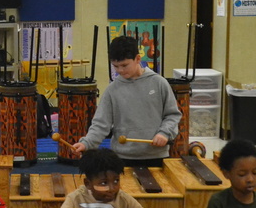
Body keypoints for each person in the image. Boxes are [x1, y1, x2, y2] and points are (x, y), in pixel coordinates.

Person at [72, 34, 181, 167]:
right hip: (122, 157)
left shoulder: (159, 83)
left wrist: (164, 133)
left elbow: (172, 115)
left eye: (124, 65)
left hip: (156, 155)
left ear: (138, 59)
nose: (120, 70)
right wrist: (86, 143)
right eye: (116, 66)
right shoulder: (112, 90)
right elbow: (101, 124)